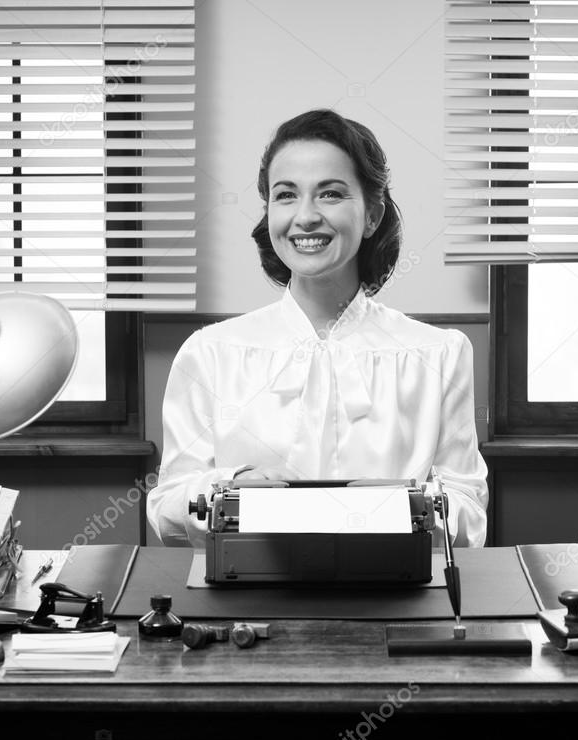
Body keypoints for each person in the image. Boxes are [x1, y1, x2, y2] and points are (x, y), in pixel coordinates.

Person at [147, 109, 488, 548]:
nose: (305, 217)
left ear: (371, 215)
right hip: (245, 606)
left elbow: (470, 514)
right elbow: (168, 510)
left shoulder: (439, 352)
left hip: (398, 600)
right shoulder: (210, 353)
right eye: (286, 195)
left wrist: (404, 505)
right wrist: (229, 490)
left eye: (330, 194)